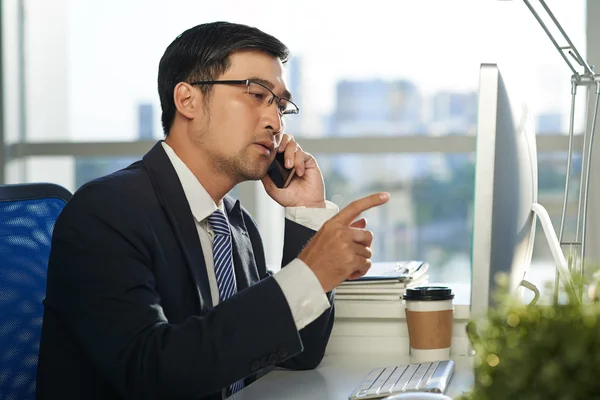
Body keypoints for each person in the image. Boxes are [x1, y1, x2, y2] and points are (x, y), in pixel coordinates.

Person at [35, 21, 390, 400]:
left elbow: (300, 353)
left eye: (281, 105)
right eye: (256, 94)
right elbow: (150, 371)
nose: (275, 121)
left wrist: (308, 212)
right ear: (187, 100)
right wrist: (310, 272)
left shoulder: (236, 225)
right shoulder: (105, 212)